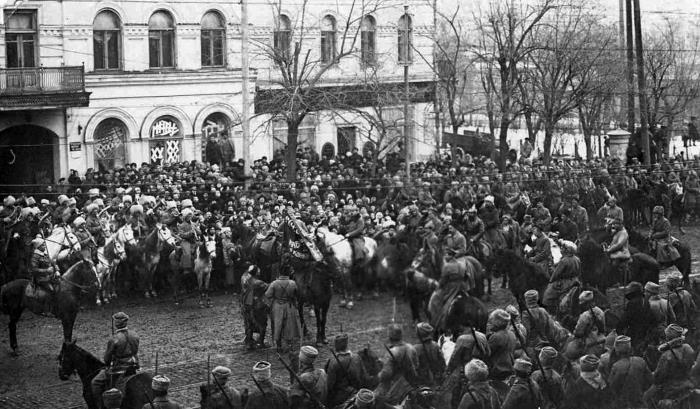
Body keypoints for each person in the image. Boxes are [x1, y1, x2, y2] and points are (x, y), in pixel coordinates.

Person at [92, 312, 140, 409]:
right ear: (126, 322)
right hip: (134, 365)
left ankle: (100, 406)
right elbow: (135, 351)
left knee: (95, 382)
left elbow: (106, 360)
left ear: (116, 324)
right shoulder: (135, 335)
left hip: (119, 368)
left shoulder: (114, 339)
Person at [643, 324, 696, 408]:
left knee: (645, 399)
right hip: (687, 388)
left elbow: (657, 378)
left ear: (667, 338)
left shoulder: (666, 355)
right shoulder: (688, 348)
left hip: (671, 392)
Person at [265, 269, 303, 376]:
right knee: (289, 326)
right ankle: (289, 344)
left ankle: (278, 346)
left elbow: (268, 295)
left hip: (277, 307)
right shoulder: (292, 283)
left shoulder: (274, 283)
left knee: (277, 326)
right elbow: (297, 294)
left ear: (279, 274)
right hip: (289, 306)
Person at [375, 324, 418, 405]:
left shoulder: (392, 352)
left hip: (396, 387)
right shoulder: (411, 347)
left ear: (390, 337)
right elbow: (416, 364)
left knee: (375, 399)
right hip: (411, 383)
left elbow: (386, 374)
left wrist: (378, 375)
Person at [325, 333, 371, 408]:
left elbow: (329, 385)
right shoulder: (356, 357)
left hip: (339, 398)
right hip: (356, 393)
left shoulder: (333, 362)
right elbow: (365, 377)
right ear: (346, 344)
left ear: (336, 346)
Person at [607, 335, 652, 408]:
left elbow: (612, 388)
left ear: (617, 350)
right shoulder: (640, 361)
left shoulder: (616, 366)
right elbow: (650, 381)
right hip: (640, 403)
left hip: (624, 405)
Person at [616, 281, 655, 356]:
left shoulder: (632, 303)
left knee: (634, 352)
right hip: (645, 332)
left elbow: (625, 319)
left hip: (635, 333)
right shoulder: (646, 301)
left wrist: (619, 329)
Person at [542, 241, 580, 312]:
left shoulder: (564, 261)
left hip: (564, 283)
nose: (561, 249)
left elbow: (555, 275)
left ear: (567, 250)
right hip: (575, 280)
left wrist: (550, 280)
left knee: (547, 294)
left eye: (562, 248)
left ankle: (550, 310)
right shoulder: (577, 259)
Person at [241, 265, 269, 350]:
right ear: (256, 272)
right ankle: (261, 342)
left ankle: (249, 343)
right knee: (262, 323)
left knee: (248, 324)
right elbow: (268, 287)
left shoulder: (245, 280)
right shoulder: (258, 283)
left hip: (246, 304)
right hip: (256, 305)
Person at [571, 291, 606, 358]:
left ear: (586, 303)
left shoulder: (584, 316)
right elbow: (603, 328)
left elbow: (578, 333)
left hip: (590, 346)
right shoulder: (601, 311)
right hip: (601, 343)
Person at [520, 290, 555, 355]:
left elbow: (526, 333)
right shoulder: (543, 310)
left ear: (526, 301)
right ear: (537, 299)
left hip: (532, 347)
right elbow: (551, 328)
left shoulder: (525, 314)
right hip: (545, 344)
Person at [487, 309, 517, 381]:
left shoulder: (496, 337)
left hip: (498, 371)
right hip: (510, 368)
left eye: (491, 322)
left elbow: (487, 354)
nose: (489, 324)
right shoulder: (511, 334)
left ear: (497, 323)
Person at [412, 322, 445, 387]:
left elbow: (414, 367)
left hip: (422, 381)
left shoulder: (415, 348)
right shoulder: (435, 345)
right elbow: (442, 363)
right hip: (436, 380)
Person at [604, 218, 630, 283]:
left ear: (620, 224)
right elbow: (613, 242)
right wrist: (608, 247)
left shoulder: (624, 233)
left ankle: (616, 281)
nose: (613, 226)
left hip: (622, 252)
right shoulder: (617, 232)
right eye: (613, 224)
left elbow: (619, 245)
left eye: (615, 224)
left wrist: (609, 250)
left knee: (614, 264)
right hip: (615, 251)